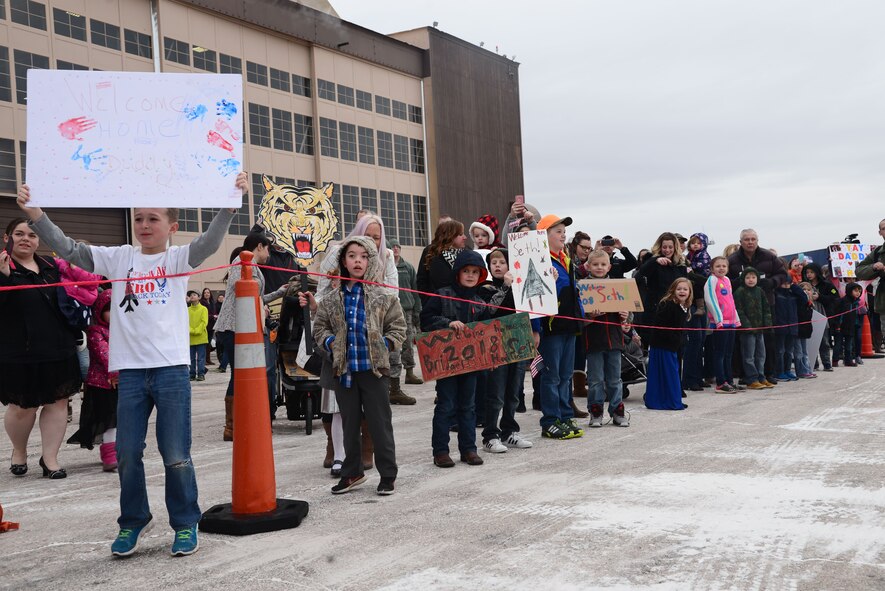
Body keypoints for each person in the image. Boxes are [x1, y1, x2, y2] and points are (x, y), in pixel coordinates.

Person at [18, 172, 247, 557]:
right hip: (131, 373)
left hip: (172, 370)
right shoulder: (120, 257)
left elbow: (209, 242)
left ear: (171, 227)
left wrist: (229, 202)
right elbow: (72, 250)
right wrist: (37, 215)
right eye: (139, 217)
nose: (144, 225)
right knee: (126, 453)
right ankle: (134, 521)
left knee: (175, 454)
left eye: (153, 219)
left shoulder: (179, 258)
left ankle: (185, 522)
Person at [310, 236, 406, 495]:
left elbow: (398, 327)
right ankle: (352, 472)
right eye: (352, 256)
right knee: (349, 423)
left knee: (379, 424)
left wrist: (385, 344)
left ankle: (388, 474)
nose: (358, 261)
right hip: (345, 372)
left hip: (374, 372)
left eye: (363, 257)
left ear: (371, 261)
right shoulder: (331, 298)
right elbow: (319, 327)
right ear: (343, 260)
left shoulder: (383, 295)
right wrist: (330, 342)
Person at [1, 218, 82, 479]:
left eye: (32, 235)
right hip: (18, 351)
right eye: (19, 233)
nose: (26, 238)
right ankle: (19, 451)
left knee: (58, 403)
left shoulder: (51, 266)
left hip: (58, 347)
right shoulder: (2, 267)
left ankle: (50, 459)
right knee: (23, 406)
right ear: (6, 238)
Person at [213, 231, 289, 441]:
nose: (269, 255)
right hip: (234, 326)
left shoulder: (250, 265)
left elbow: (255, 296)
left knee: (239, 374)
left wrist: (279, 292)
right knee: (239, 375)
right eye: (267, 249)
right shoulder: (243, 264)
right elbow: (243, 293)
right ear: (259, 247)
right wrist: (258, 306)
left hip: (241, 326)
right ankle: (232, 426)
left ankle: (236, 424)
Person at [421, 249, 492, 466]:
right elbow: (426, 320)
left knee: (468, 406)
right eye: (466, 271)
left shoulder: (481, 302)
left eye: (475, 272)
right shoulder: (441, 295)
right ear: (457, 273)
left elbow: (488, 333)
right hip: (447, 365)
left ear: (481, 275)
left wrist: (489, 359)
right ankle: (441, 451)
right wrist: (447, 323)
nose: (470, 275)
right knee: (446, 405)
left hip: (471, 365)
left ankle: (468, 449)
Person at [477, 249, 534, 452]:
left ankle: (509, 432)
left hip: (518, 341)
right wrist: (506, 287)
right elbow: (490, 310)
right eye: (494, 263)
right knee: (496, 393)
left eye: (502, 262)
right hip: (496, 344)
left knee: (513, 393)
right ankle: (490, 436)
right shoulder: (485, 288)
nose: (498, 265)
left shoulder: (520, 286)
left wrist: (548, 278)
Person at [535, 214, 585, 440]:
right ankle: (550, 420)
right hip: (551, 327)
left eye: (564, 231)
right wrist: (535, 327)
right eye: (557, 231)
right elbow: (532, 297)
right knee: (551, 376)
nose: (563, 234)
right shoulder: (539, 260)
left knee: (565, 376)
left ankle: (565, 415)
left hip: (569, 325)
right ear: (543, 236)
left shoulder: (566, 259)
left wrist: (581, 318)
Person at [66, 289, 119, 471]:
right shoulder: (96, 331)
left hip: (123, 384)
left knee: (123, 420)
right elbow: (105, 355)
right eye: (109, 309)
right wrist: (116, 372)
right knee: (110, 421)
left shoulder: (125, 332)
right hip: (103, 385)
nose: (115, 314)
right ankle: (110, 455)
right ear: (100, 311)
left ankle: (122, 450)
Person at [726, 229, 788, 383]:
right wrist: (739, 283)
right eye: (746, 239)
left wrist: (771, 283)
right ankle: (745, 375)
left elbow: (782, 274)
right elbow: (724, 280)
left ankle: (767, 374)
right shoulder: (732, 260)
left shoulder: (769, 256)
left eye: (753, 239)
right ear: (740, 242)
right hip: (742, 307)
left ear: (757, 240)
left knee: (767, 341)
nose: (750, 242)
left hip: (765, 305)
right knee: (744, 342)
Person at [583, 249, 630, 427]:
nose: (599, 268)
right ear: (588, 266)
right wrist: (590, 317)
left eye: (603, 264)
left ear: (609, 266)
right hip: (594, 341)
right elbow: (579, 319)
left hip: (615, 340)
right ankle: (595, 412)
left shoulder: (617, 286)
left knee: (615, 379)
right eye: (595, 264)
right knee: (595, 380)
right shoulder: (584, 287)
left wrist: (626, 315)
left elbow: (628, 315)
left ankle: (617, 412)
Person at [644, 278, 692, 410]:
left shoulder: (684, 306)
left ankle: (673, 399)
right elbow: (662, 326)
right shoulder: (668, 304)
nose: (682, 291)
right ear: (673, 290)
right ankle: (667, 401)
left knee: (673, 373)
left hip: (673, 345)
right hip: (663, 345)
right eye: (679, 289)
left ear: (689, 292)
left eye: (685, 289)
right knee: (668, 373)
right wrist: (674, 341)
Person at [704, 256, 742, 393]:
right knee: (720, 353)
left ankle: (729, 380)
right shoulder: (712, 280)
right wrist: (718, 319)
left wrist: (736, 319)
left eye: (724, 266)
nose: (721, 268)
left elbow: (731, 301)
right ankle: (720, 382)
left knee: (728, 353)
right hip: (720, 323)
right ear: (712, 268)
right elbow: (710, 300)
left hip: (730, 323)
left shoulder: (726, 280)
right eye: (718, 266)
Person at [634, 232, 689, 325]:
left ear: (675, 248)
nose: (667, 250)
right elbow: (638, 276)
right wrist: (655, 260)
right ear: (660, 247)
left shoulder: (681, 265)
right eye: (664, 247)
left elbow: (687, 287)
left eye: (670, 247)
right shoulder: (651, 261)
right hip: (655, 311)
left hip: (675, 311)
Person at [733, 268, 774, 389]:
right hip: (747, 331)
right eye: (748, 278)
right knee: (748, 355)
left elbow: (766, 308)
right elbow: (738, 310)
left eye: (753, 277)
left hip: (760, 329)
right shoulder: (740, 292)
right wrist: (747, 326)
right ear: (743, 279)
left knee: (761, 354)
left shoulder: (760, 291)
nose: (751, 280)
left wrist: (767, 323)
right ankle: (751, 378)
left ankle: (761, 377)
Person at [390, 238, 423, 385]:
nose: (395, 249)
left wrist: (417, 308)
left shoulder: (408, 267)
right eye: (393, 247)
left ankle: (409, 372)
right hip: (392, 311)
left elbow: (414, 289)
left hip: (408, 310)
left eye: (398, 246)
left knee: (408, 343)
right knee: (393, 344)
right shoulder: (387, 267)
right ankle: (392, 377)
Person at [567, 231, 593, 406]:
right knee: (572, 352)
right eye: (583, 247)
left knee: (581, 350)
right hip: (570, 314)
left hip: (586, 314)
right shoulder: (569, 260)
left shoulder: (587, 263)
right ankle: (572, 389)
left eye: (589, 248)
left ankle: (579, 385)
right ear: (575, 246)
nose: (586, 251)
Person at [416, 219, 467, 304]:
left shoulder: (466, 254)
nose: (465, 237)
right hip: (437, 307)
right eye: (460, 234)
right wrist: (429, 303)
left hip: (459, 306)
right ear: (450, 236)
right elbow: (421, 281)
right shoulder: (431, 252)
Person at [856, 218, 885, 337]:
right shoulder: (878, 252)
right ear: (880, 233)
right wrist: (873, 267)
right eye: (883, 229)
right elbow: (859, 270)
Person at [773, 279, 807, 380]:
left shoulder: (793, 294)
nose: (786, 285)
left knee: (789, 351)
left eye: (788, 283)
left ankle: (787, 370)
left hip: (792, 326)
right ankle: (779, 371)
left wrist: (794, 286)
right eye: (784, 283)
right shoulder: (776, 294)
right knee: (780, 351)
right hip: (780, 326)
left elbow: (804, 298)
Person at [833, 282, 863, 367]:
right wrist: (837, 325)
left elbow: (856, 316)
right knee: (838, 345)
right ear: (849, 291)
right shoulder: (842, 301)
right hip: (840, 327)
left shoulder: (857, 302)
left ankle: (848, 360)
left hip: (851, 327)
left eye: (859, 291)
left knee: (849, 345)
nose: (858, 293)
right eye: (856, 290)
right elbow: (838, 314)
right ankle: (835, 360)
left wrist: (857, 324)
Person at [795, 282, 817, 378]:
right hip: (798, 329)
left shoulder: (810, 304)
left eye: (808, 290)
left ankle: (807, 369)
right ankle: (801, 371)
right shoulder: (799, 302)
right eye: (804, 289)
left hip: (805, 330)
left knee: (805, 352)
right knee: (799, 352)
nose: (806, 292)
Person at [187, 291, 208, 382]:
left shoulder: (204, 309)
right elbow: (185, 322)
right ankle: (192, 374)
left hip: (201, 337)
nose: (192, 296)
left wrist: (196, 331)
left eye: (194, 295)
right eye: (191, 295)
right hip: (190, 338)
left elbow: (204, 322)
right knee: (191, 358)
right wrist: (191, 330)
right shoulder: (187, 310)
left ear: (199, 297)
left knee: (201, 358)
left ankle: (201, 374)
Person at [199, 288, 218, 366]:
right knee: (205, 344)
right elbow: (204, 314)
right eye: (205, 293)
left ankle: (208, 359)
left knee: (209, 343)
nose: (207, 294)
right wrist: (212, 316)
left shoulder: (212, 302)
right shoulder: (202, 303)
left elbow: (214, 312)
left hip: (211, 325)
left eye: (208, 293)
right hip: (205, 325)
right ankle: (204, 360)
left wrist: (216, 315)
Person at [214, 293, 229, 372]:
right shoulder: (217, 306)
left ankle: (223, 366)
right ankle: (222, 365)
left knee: (226, 349)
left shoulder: (226, 307)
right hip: (223, 330)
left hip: (225, 330)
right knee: (223, 349)